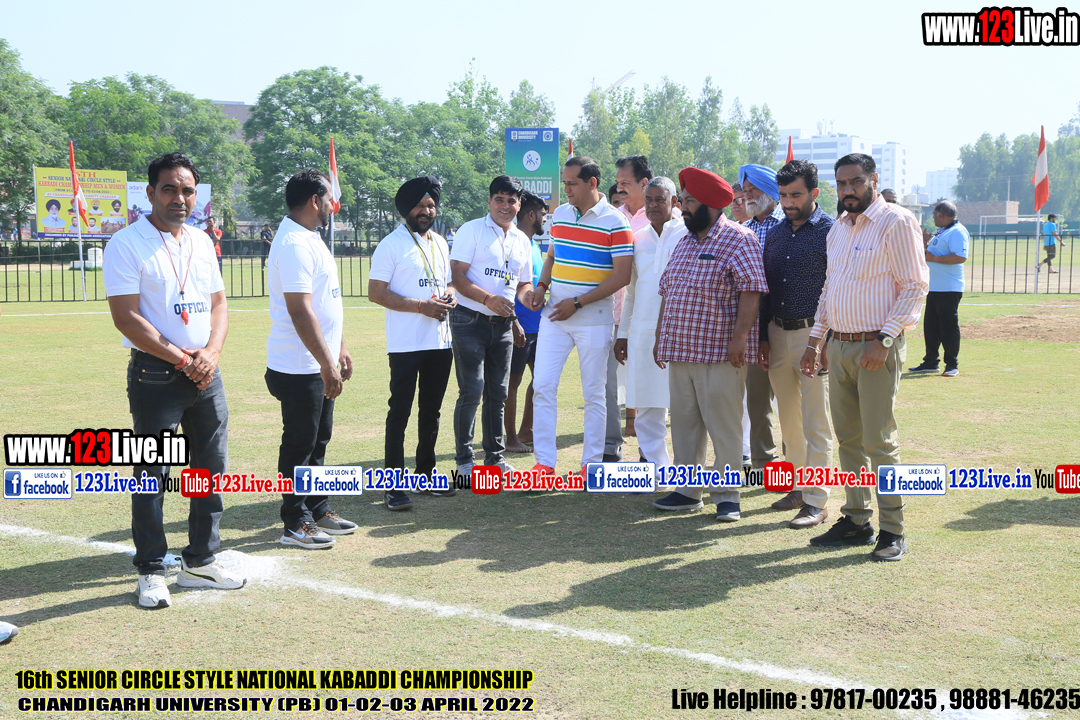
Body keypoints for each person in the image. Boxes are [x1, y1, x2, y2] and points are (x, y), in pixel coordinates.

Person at [103, 152, 245, 609]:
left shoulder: (202, 241)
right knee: (152, 474)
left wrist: (211, 354)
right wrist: (184, 360)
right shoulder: (126, 243)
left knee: (210, 469)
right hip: (156, 374)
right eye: (169, 189)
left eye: (187, 190)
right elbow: (127, 318)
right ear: (150, 193)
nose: (179, 198)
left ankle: (200, 560)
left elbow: (219, 305)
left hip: (207, 372)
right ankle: (150, 569)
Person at [800, 153, 928, 562]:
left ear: (873, 180)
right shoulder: (839, 228)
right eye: (841, 184)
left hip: (876, 347)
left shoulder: (896, 221)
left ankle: (893, 530)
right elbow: (829, 288)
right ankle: (856, 519)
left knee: (879, 442)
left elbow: (914, 286)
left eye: (855, 181)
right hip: (838, 345)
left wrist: (885, 339)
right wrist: (815, 340)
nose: (848, 190)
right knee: (849, 440)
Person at [651, 168, 768, 521]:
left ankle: (728, 496)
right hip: (681, 350)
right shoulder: (684, 241)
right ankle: (687, 491)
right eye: (684, 200)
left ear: (712, 204)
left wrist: (740, 338)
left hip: (719, 353)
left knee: (724, 426)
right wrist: (659, 336)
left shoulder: (740, 238)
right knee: (684, 424)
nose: (683, 207)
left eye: (689, 201)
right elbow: (667, 291)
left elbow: (752, 290)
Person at [266, 169, 356, 550]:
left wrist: (340, 347)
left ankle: (317, 509)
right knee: (299, 445)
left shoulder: (310, 237)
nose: (334, 205)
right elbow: (300, 311)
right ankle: (294, 522)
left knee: (319, 440)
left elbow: (325, 302)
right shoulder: (293, 243)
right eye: (330, 198)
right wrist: (325, 362)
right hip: (299, 366)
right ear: (315, 201)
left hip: (317, 362)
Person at [529, 156, 633, 478]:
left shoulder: (617, 221)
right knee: (542, 385)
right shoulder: (560, 214)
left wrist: (577, 303)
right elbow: (552, 255)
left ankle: (591, 464)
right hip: (554, 317)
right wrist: (541, 286)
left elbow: (622, 276)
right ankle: (544, 463)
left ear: (592, 183)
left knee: (594, 394)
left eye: (572, 183)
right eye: (565, 183)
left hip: (594, 320)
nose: (567, 189)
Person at [369, 176, 456, 510]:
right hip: (406, 343)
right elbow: (376, 293)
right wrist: (421, 306)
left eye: (431, 205)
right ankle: (392, 486)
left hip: (439, 341)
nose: (426, 211)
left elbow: (449, 284)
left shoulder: (441, 243)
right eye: (420, 205)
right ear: (407, 209)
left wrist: (450, 296)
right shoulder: (391, 244)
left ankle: (425, 475)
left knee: (431, 412)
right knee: (400, 413)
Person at [759, 161, 834, 528]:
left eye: (796, 195)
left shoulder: (832, 232)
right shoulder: (774, 233)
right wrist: (762, 336)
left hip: (813, 336)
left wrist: (822, 341)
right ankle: (798, 489)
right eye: (783, 195)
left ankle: (817, 500)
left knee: (815, 421)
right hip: (777, 334)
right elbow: (765, 288)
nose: (788, 202)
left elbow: (835, 289)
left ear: (814, 193)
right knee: (789, 420)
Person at [448, 176, 534, 480]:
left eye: (511, 200)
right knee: (472, 390)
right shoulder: (471, 230)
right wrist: (488, 299)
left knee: (498, 394)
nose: (505, 206)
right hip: (469, 321)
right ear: (489, 201)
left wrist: (528, 299)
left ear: (519, 205)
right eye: (499, 199)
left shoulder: (522, 240)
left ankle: (495, 460)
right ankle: (464, 461)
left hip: (504, 326)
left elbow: (522, 284)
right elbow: (457, 277)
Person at [614, 177, 684, 469]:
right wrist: (623, 333)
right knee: (646, 406)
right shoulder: (638, 238)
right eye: (649, 199)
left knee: (684, 407)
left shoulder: (687, 235)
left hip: (681, 334)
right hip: (642, 334)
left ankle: (684, 470)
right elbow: (630, 293)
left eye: (660, 199)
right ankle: (657, 469)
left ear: (675, 202)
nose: (653, 205)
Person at [739, 164, 784, 471]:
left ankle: (798, 465)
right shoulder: (745, 230)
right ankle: (763, 465)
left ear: (770, 191)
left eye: (753, 189)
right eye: (745, 191)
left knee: (794, 404)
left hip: (788, 324)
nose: (747, 196)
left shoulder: (790, 224)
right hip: (755, 326)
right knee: (757, 402)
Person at [613, 155, 655, 443]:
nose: (620, 188)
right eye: (618, 183)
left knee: (647, 375)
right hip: (610, 308)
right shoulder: (611, 217)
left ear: (644, 183)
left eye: (625, 183)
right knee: (611, 379)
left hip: (647, 313)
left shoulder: (665, 219)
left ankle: (645, 431)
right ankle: (613, 437)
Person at [504, 192, 547, 454]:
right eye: (542, 214)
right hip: (518, 326)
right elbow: (506, 286)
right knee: (512, 383)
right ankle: (509, 438)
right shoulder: (512, 244)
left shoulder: (535, 246)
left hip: (540, 326)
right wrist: (512, 321)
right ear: (531, 215)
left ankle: (526, 430)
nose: (545, 219)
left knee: (541, 380)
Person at [910, 201, 968, 377]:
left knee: (948, 327)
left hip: (948, 288)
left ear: (941, 215)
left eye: (934, 214)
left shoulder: (957, 231)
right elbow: (931, 254)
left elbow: (960, 257)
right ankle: (930, 361)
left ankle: (951, 364)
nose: (933, 217)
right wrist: (924, 244)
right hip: (934, 287)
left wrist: (934, 259)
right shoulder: (944, 231)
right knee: (931, 326)